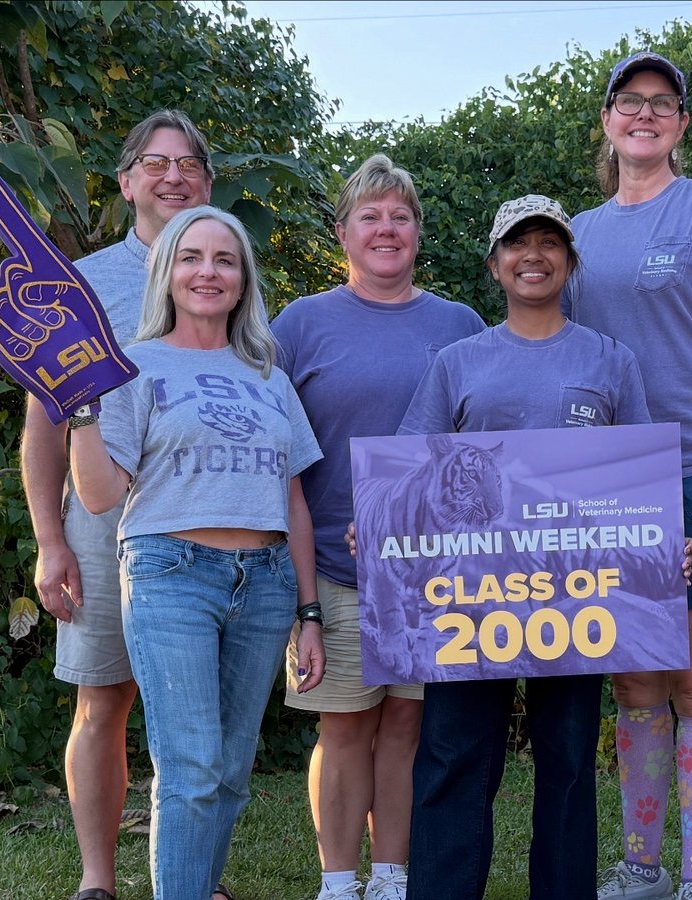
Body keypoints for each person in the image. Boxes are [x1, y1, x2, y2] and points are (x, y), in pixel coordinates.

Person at [390, 193, 667, 900]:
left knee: (569, 759)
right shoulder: (458, 362)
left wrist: (661, 547)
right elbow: (410, 470)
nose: (533, 255)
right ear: (494, 264)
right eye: (518, 243)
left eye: (550, 243)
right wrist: (380, 523)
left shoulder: (611, 361)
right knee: (454, 754)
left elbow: (636, 478)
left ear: (571, 263)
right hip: (469, 594)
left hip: (576, 595)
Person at [563, 52, 692, 900]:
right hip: (609, 483)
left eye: (661, 103)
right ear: (608, 120)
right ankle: (641, 867)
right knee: (637, 684)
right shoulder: (576, 232)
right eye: (628, 102)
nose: (643, 114)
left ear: (682, 123)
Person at [68, 205, 326, 899]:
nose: (206, 272)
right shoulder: (131, 366)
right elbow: (98, 495)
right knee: (190, 769)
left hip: (267, 583)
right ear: (166, 273)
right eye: (191, 257)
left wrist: (309, 612)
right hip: (170, 574)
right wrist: (81, 407)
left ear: (243, 281)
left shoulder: (268, 371)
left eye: (223, 259)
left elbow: (293, 498)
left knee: (231, 772)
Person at [271, 154, 486, 900]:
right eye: (371, 215)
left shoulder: (459, 325)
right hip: (333, 567)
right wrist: (299, 597)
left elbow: (484, 448)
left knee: (407, 730)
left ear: (419, 232)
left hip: (435, 576)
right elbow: (276, 449)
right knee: (343, 729)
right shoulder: (300, 324)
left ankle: (391, 875)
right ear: (343, 233)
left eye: (400, 215)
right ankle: (339, 881)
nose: (386, 228)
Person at [20, 109, 217, 900]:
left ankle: (194, 876)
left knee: (194, 713)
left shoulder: (224, 271)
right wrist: (47, 539)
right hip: (102, 523)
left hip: (206, 520)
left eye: (190, 164)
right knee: (104, 702)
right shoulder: (82, 283)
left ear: (208, 182)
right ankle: (97, 882)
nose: (174, 176)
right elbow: (41, 425)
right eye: (155, 163)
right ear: (127, 180)